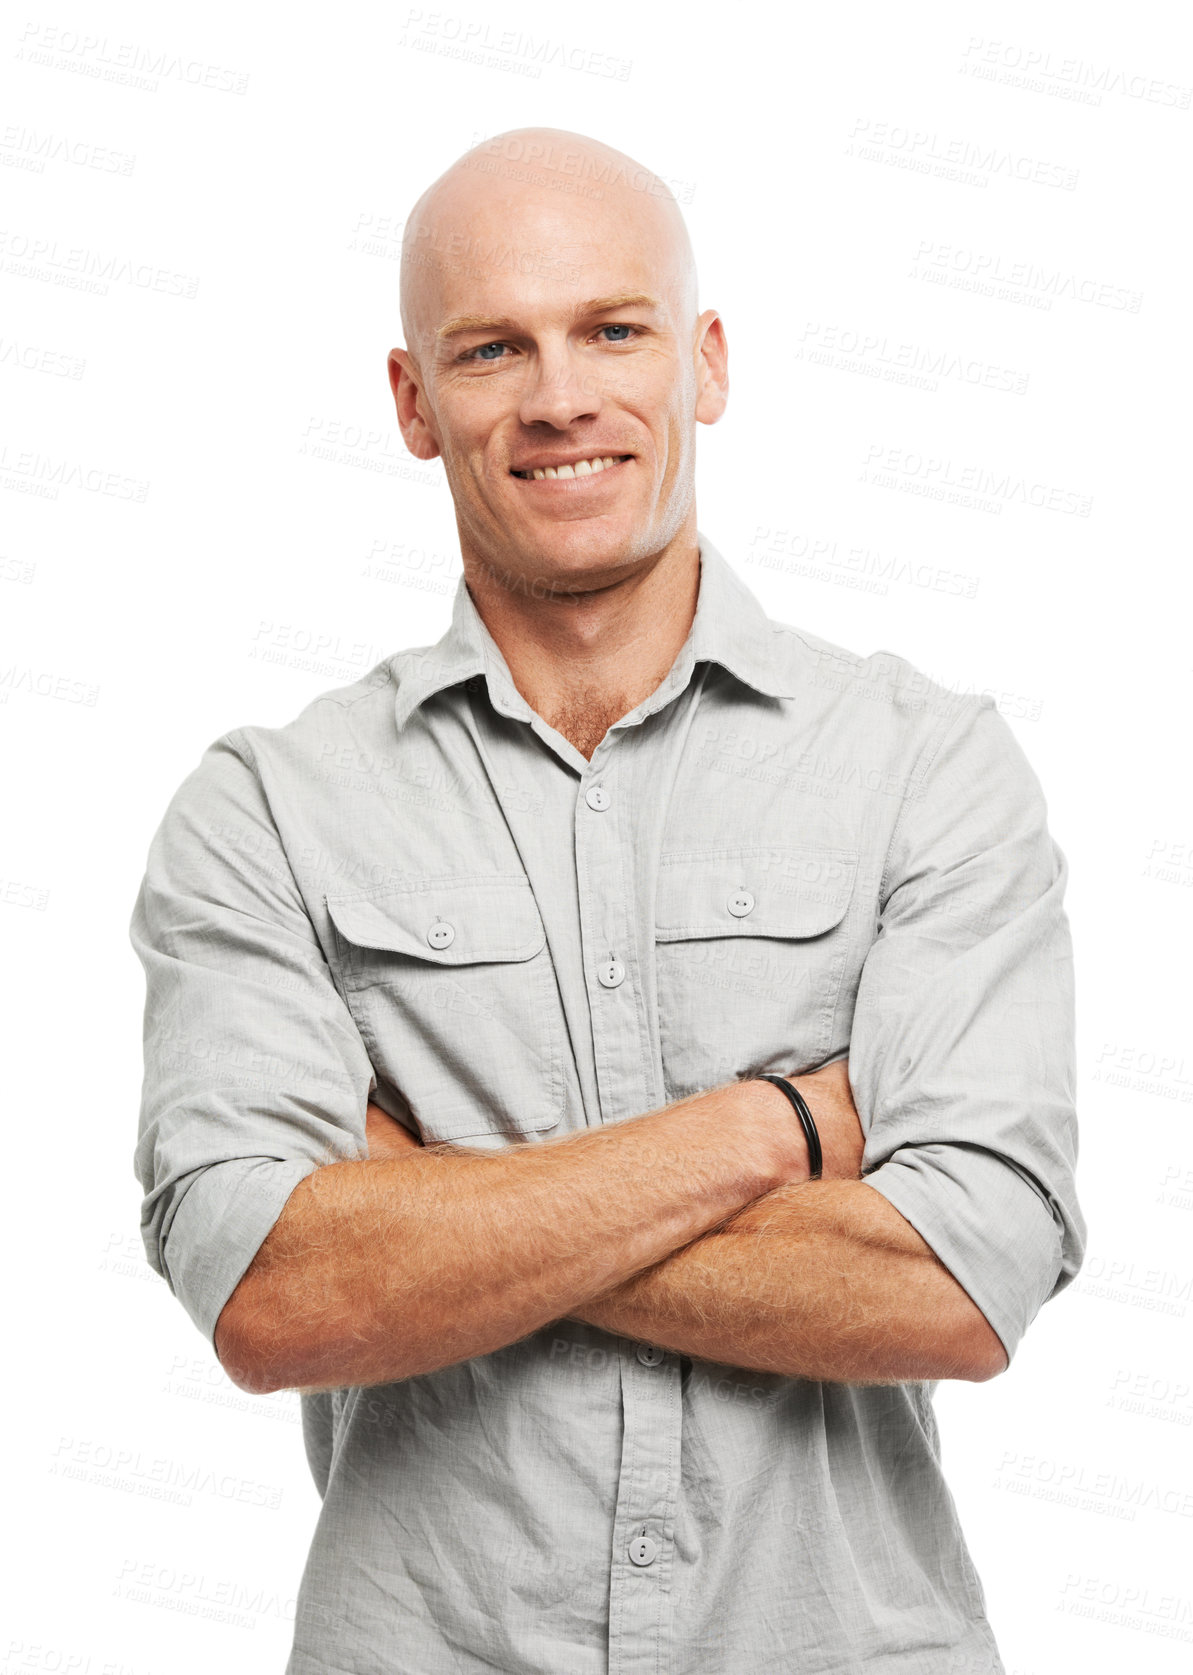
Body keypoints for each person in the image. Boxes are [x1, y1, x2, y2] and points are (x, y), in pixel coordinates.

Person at [130, 126, 1086, 1674]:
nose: (560, 396)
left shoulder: (926, 767)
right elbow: (275, 1293)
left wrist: (438, 1207)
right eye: (493, 347)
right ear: (412, 404)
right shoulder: (267, 810)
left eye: (613, 331)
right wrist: (774, 1131)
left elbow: (961, 1281)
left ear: (704, 363)